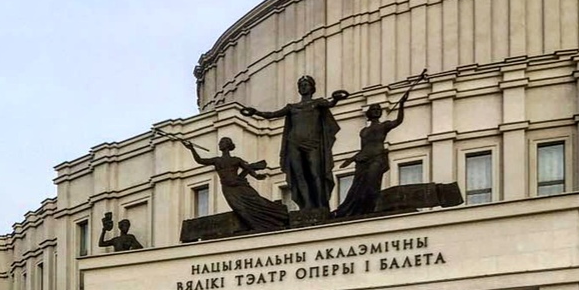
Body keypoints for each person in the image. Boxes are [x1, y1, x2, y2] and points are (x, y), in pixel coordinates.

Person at [241, 75, 349, 212]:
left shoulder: (317, 103)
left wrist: (337, 98)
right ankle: (307, 204)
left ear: (312, 87)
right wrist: (255, 112)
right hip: (294, 143)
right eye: (301, 85)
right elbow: (272, 114)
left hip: (313, 143)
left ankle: (321, 204)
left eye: (306, 84)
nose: (303, 87)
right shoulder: (292, 107)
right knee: (299, 174)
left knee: (315, 173)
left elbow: (331, 103)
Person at [334, 71, 427, 219]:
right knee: (357, 188)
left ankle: (371, 208)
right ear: (369, 114)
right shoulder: (364, 130)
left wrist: (402, 104)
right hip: (362, 160)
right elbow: (364, 148)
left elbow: (398, 121)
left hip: (377, 158)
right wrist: (351, 159)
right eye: (374, 109)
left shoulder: (384, 125)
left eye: (378, 109)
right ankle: (355, 210)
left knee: (372, 183)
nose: (377, 111)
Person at [181, 136, 290, 233]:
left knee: (257, 201)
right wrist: (192, 149)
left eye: (222, 142)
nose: (220, 144)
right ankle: (258, 225)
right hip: (228, 188)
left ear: (228, 145)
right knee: (239, 208)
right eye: (220, 142)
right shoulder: (216, 160)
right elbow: (200, 160)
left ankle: (276, 217)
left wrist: (257, 176)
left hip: (239, 186)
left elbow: (248, 169)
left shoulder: (236, 160)